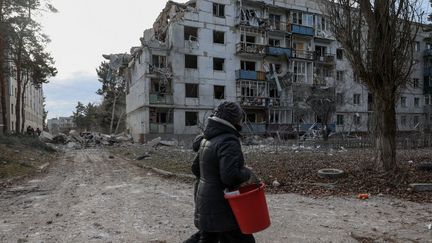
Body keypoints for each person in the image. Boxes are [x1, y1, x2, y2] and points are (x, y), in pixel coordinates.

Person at [190, 101, 258, 243]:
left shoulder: (207, 139)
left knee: (207, 237)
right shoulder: (228, 140)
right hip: (222, 206)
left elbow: (195, 169)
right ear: (234, 119)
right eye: (240, 118)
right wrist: (247, 173)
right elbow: (230, 177)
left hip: (205, 201)